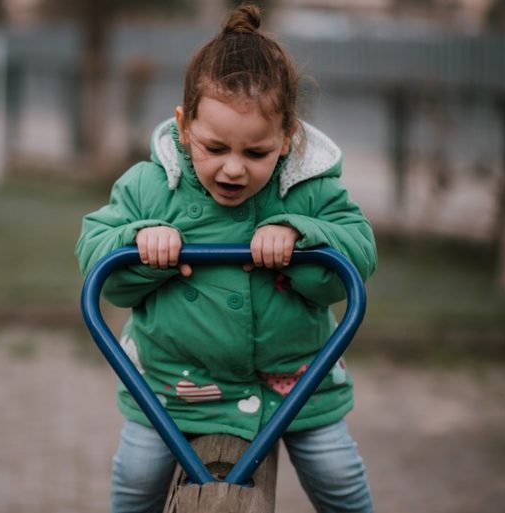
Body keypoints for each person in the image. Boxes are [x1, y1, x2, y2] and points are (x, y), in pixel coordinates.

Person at [76, 4, 377, 512]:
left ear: (286, 138)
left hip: (296, 388)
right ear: (184, 125)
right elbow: (97, 253)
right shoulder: (153, 186)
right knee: (134, 480)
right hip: (172, 389)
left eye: (255, 153)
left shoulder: (305, 189)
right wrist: (142, 240)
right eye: (215, 147)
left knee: (339, 477)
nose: (233, 169)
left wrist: (299, 237)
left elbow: (358, 250)